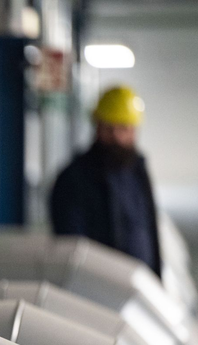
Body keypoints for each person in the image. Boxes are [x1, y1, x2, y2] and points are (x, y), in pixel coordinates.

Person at [50, 86, 161, 277]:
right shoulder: (73, 179)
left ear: (134, 131)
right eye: (109, 128)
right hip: (97, 291)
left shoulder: (138, 173)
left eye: (123, 128)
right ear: (97, 127)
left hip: (141, 288)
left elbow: (151, 231)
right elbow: (70, 247)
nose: (116, 137)